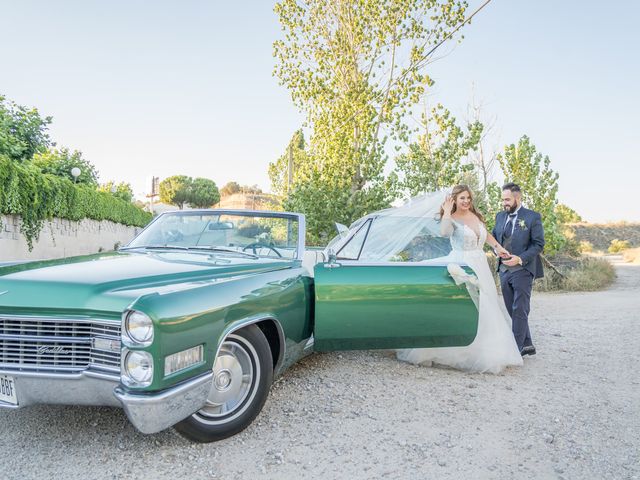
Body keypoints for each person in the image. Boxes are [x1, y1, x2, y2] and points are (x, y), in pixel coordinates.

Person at [396, 185, 523, 374]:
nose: (466, 201)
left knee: (486, 305)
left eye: (468, 198)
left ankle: (486, 350)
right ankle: (457, 348)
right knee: (468, 306)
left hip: (480, 264)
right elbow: (444, 233)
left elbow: (485, 234)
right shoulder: (452, 219)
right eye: (462, 198)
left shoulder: (476, 216)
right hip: (462, 264)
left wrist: (497, 247)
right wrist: (447, 212)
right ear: (455, 199)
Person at [492, 182, 545, 356]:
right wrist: (496, 250)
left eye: (507, 199)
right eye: (503, 200)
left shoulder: (532, 217)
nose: (504, 203)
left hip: (523, 268)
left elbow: (538, 244)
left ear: (518, 197)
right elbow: (494, 239)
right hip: (504, 270)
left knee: (519, 308)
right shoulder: (500, 216)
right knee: (510, 308)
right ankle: (527, 344)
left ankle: (514, 350)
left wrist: (520, 258)